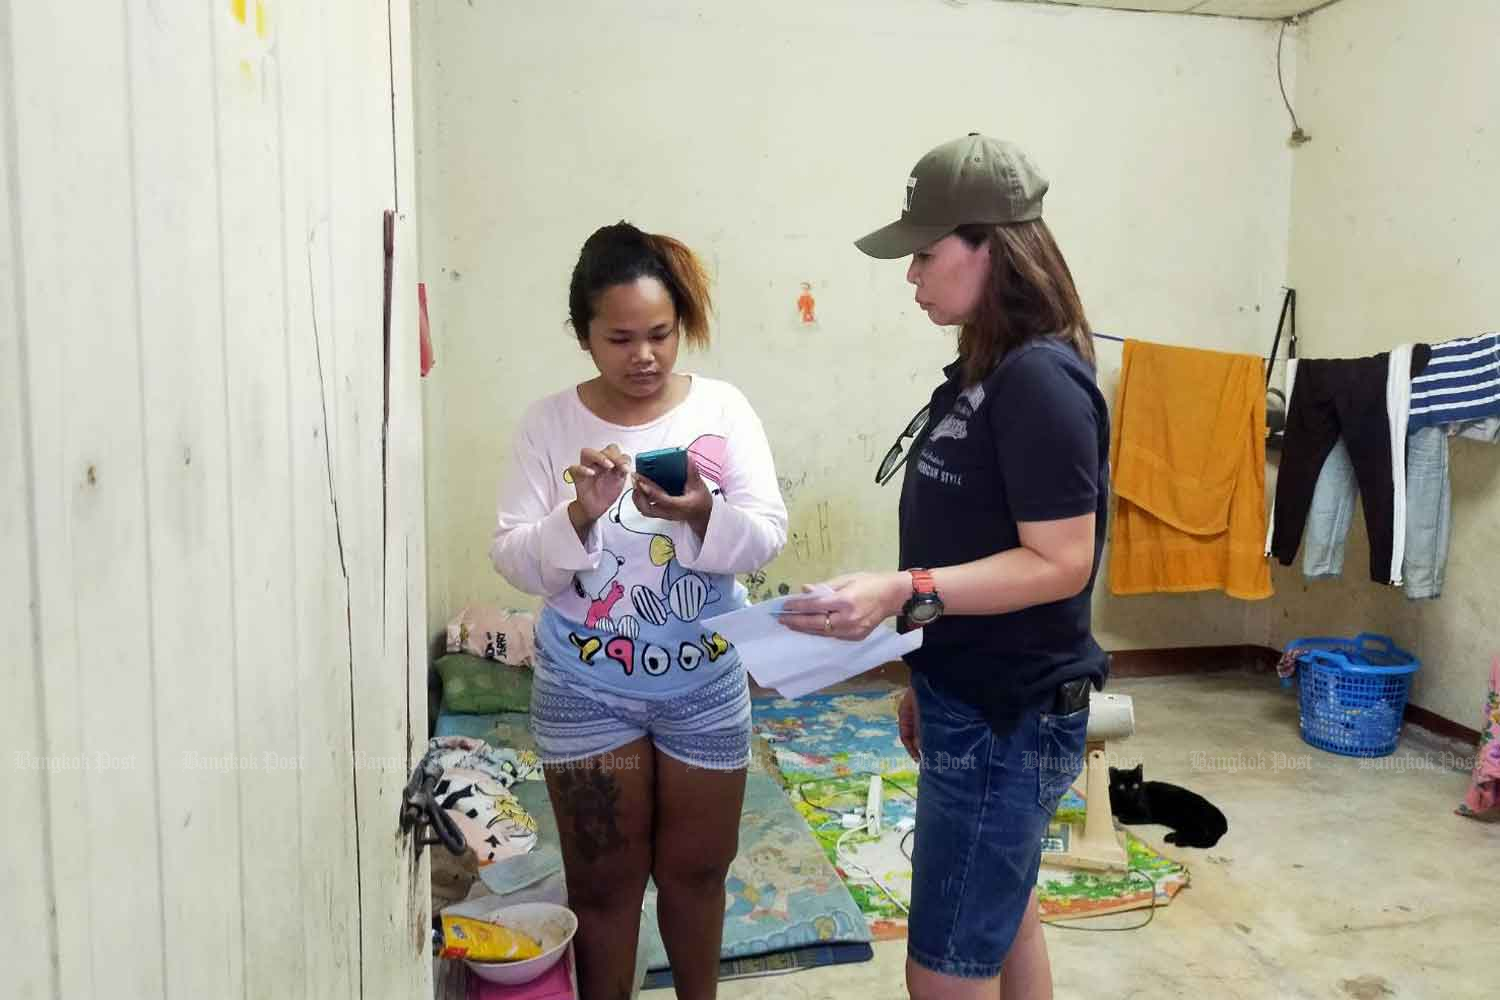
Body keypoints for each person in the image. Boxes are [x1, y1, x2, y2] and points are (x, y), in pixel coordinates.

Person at [783, 135, 1109, 1000]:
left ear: (989, 249)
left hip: (1014, 715)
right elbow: (969, 547)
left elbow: (1061, 562)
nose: (912, 274)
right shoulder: (981, 370)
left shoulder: (1039, 381)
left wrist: (902, 593)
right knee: (1003, 914)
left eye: (926, 254)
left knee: (943, 972)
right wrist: (925, 677)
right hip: (972, 696)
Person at [491, 222, 788, 999]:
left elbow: (765, 539)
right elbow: (513, 557)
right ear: (583, 335)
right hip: (585, 691)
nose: (645, 356)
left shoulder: (722, 409)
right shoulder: (548, 423)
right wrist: (579, 517)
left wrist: (697, 512)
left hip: (704, 684)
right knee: (603, 888)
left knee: (696, 876)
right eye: (620, 338)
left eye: (660, 334)